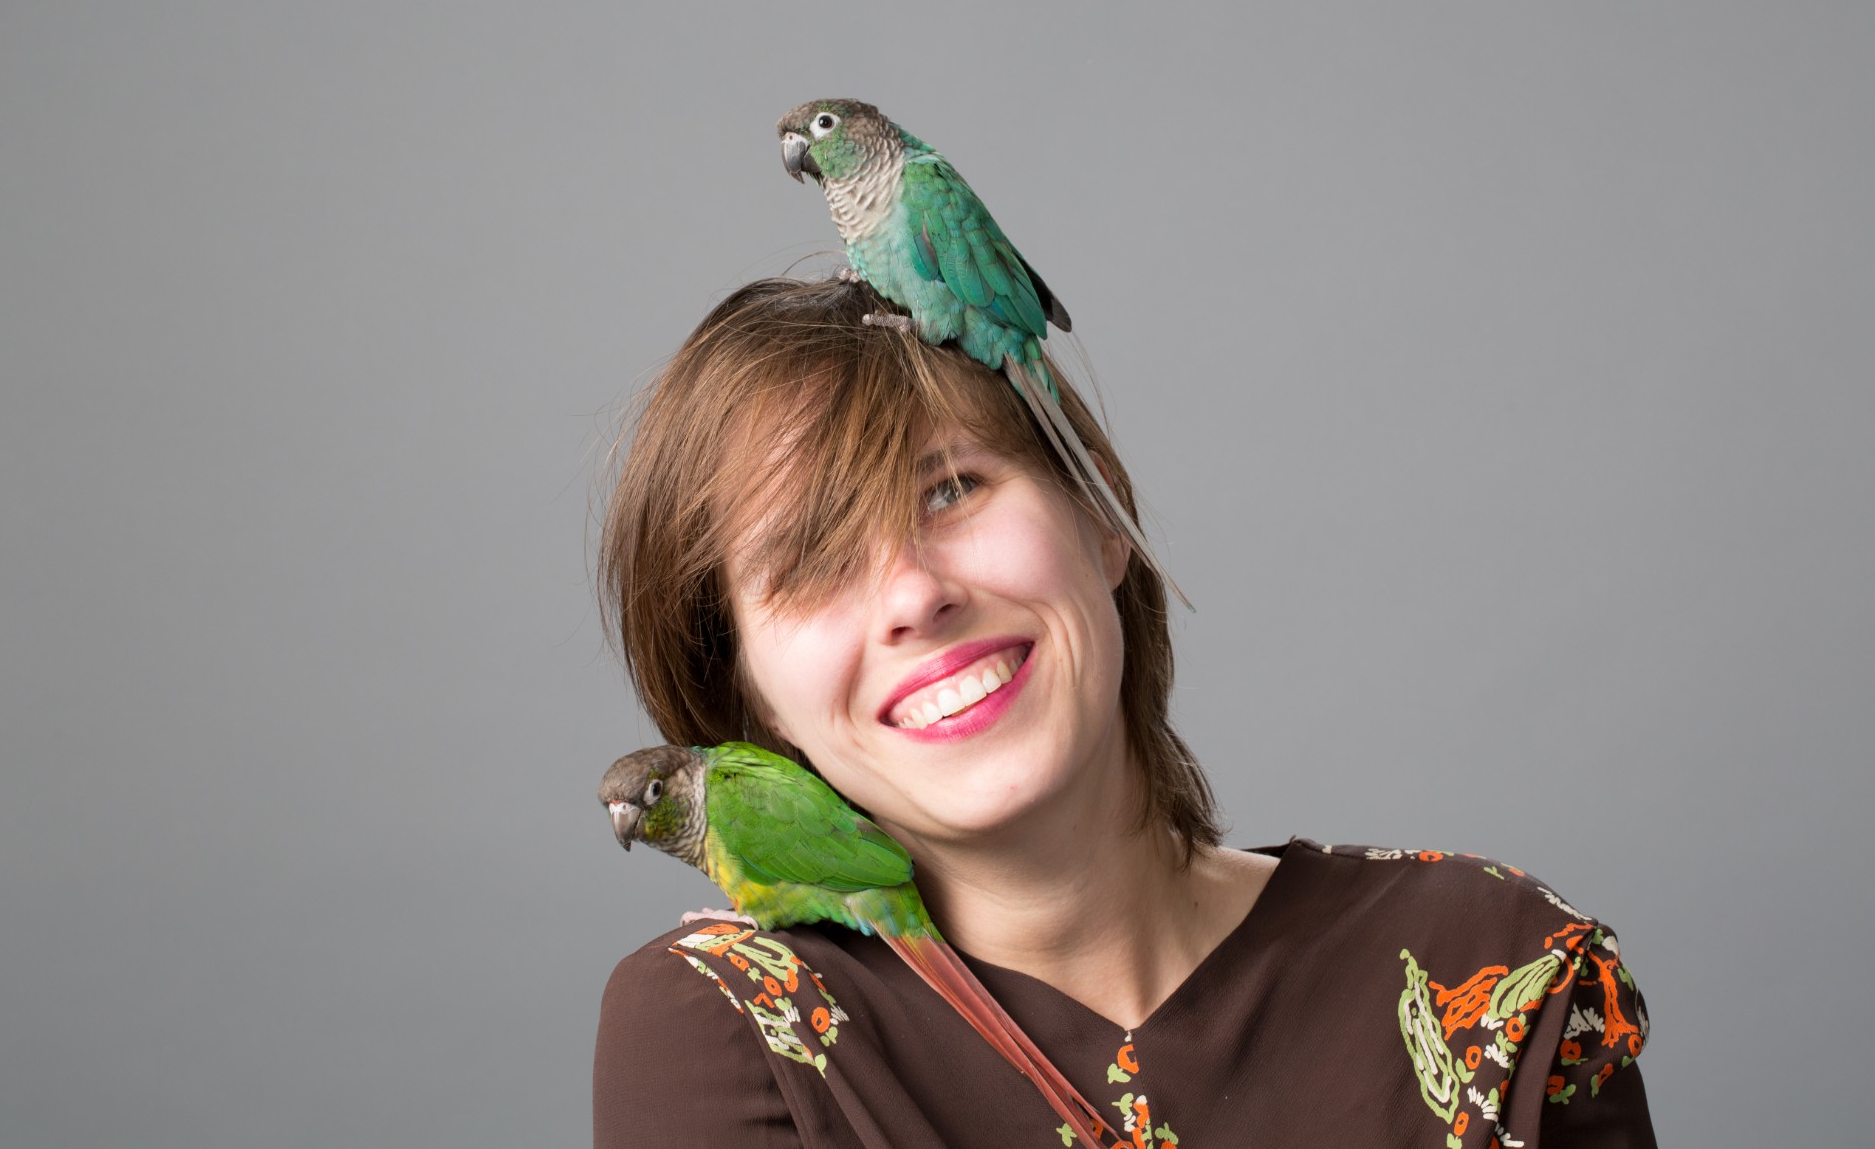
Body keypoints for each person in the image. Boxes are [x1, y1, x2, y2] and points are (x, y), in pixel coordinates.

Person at [592, 277, 1654, 1148]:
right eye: (815, 563)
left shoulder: (1498, 966)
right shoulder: (728, 1024)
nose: (916, 594)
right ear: (749, 705)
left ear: (1100, 516)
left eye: (951, 488)